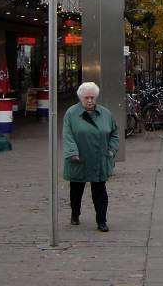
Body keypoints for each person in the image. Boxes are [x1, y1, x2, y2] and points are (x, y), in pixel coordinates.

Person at [63, 82, 119, 232]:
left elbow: (114, 133)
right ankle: (75, 214)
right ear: (81, 98)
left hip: (99, 159)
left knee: (100, 191)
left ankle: (101, 220)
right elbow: (68, 135)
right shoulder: (71, 113)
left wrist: (112, 150)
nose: (89, 101)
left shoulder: (105, 113)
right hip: (79, 159)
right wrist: (72, 152)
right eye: (86, 97)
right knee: (76, 190)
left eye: (92, 97)